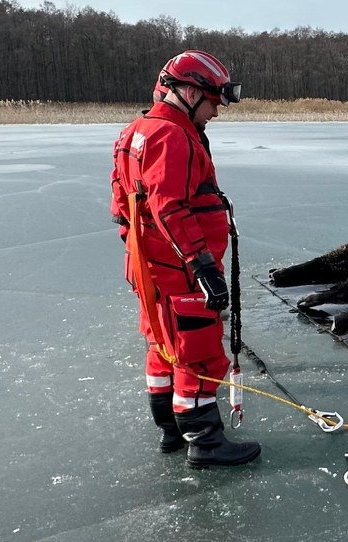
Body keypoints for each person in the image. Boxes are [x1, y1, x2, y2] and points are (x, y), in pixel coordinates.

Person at [109, 50, 261, 469]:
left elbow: (122, 207)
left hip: (151, 269)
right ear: (189, 92)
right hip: (180, 272)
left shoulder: (135, 132)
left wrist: (142, 255)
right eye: (212, 102)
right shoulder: (171, 137)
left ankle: (171, 430)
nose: (216, 112)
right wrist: (203, 266)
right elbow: (170, 208)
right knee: (198, 352)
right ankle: (205, 442)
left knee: (163, 346)